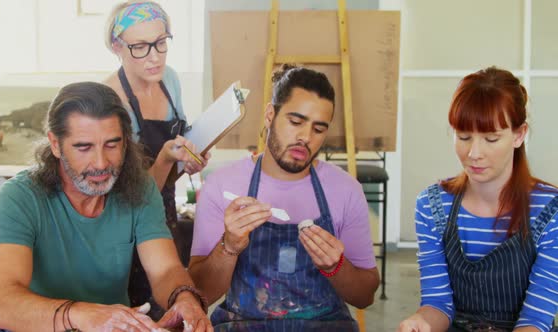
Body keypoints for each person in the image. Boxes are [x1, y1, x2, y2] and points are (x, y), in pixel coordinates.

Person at [0, 82, 212, 332]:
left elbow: (165, 270)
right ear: (55, 144)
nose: (101, 163)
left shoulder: (141, 188)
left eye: (112, 145)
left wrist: (183, 298)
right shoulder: (20, 197)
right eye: (84, 147)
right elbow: (3, 304)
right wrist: (84, 315)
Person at [188, 64, 380, 326]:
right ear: (270, 114)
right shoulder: (222, 185)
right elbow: (201, 294)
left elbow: (365, 296)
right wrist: (229, 247)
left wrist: (336, 267)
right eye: (295, 121)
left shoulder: (345, 190)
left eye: (319, 129)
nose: (305, 137)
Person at [398, 67, 558, 332]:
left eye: (491, 138)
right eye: (463, 136)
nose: (473, 153)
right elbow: (438, 303)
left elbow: (535, 319)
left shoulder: (549, 210)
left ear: (519, 135)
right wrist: (422, 322)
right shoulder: (432, 205)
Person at [103, 1, 209, 319]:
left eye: (161, 42)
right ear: (116, 47)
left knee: (169, 296)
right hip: (126, 220)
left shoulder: (170, 80)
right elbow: (130, 197)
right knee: (138, 308)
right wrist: (166, 159)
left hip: (164, 209)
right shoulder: (110, 101)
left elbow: (182, 133)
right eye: (140, 47)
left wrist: (193, 154)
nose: (155, 56)